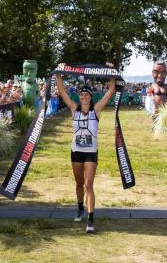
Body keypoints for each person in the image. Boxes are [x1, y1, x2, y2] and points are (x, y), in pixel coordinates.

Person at [55, 72, 116, 234]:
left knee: (88, 184)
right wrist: (58, 74)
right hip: (76, 151)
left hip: (90, 152)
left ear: (90, 96)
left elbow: (110, 92)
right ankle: (80, 207)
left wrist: (111, 73)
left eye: (86, 94)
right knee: (79, 182)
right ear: (79, 96)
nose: (84, 97)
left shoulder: (96, 110)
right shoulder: (74, 109)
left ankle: (90, 219)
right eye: (81, 94)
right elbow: (62, 92)